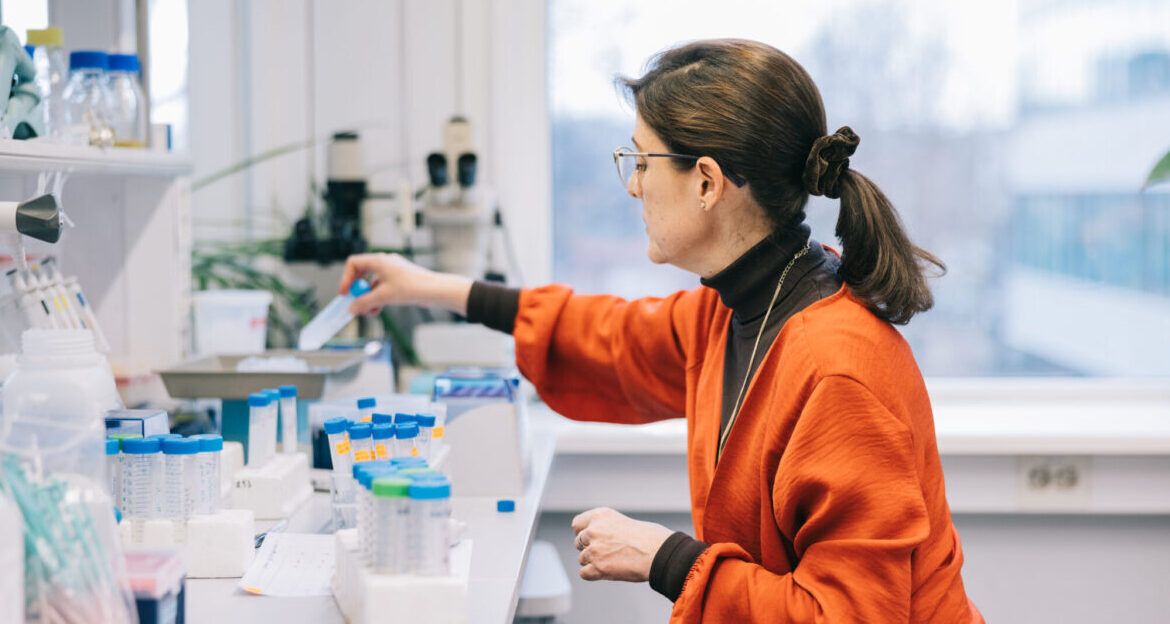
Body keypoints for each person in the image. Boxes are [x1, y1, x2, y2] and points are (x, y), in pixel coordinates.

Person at [339, 38, 981, 623]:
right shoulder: (736, 311)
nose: (634, 185)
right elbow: (610, 338)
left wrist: (666, 559)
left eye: (643, 162)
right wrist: (426, 286)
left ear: (705, 182)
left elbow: (850, 617)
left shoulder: (837, 368)